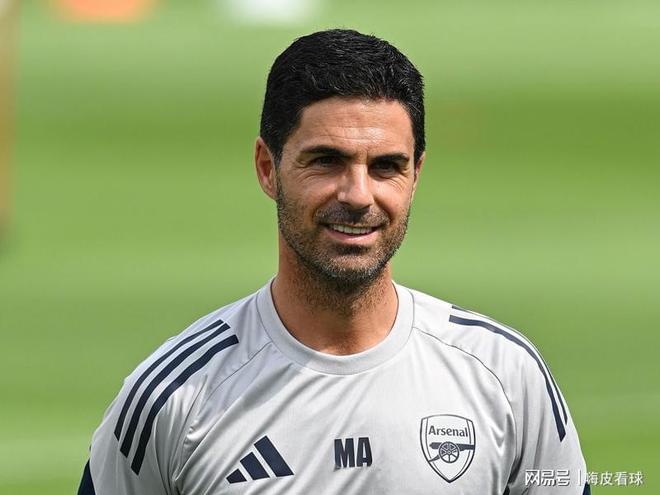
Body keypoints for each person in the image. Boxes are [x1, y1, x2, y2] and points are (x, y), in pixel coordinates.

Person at [78, 29, 588, 494]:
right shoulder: (175, 399)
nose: (359, 195)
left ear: (416, 176)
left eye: (386, 166)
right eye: (326, 161)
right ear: (267, 168)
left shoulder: (505, 376)